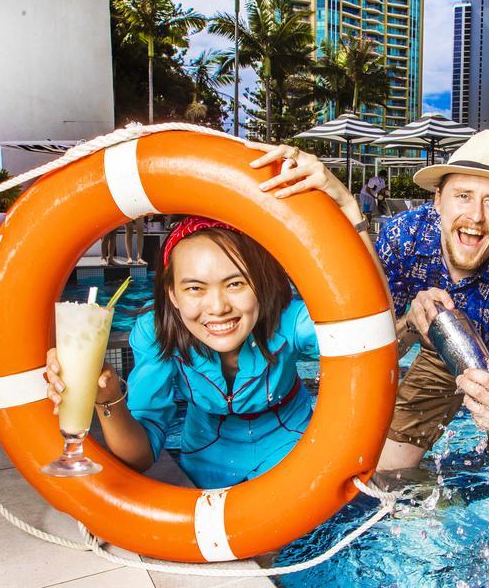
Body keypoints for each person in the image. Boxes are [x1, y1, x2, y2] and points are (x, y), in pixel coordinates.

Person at [44, 143, 372, 489]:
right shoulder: (155, 333)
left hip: (297, 456)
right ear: (171, 294)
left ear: (260, 285)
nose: (217, 307)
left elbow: (369, 326)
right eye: (195, 288)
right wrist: (105, 395)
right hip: (206, 467)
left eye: (235, 283)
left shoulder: (290, 320)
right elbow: (139, 455)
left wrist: (348, 207)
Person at [374, 130, 489, 546]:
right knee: (385, 474)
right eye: (463, 196)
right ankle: (441, 503)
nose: (475, 216)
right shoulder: (402, 238)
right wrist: (409, 326)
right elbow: (372, 350)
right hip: (438, 354)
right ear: (437, 199)